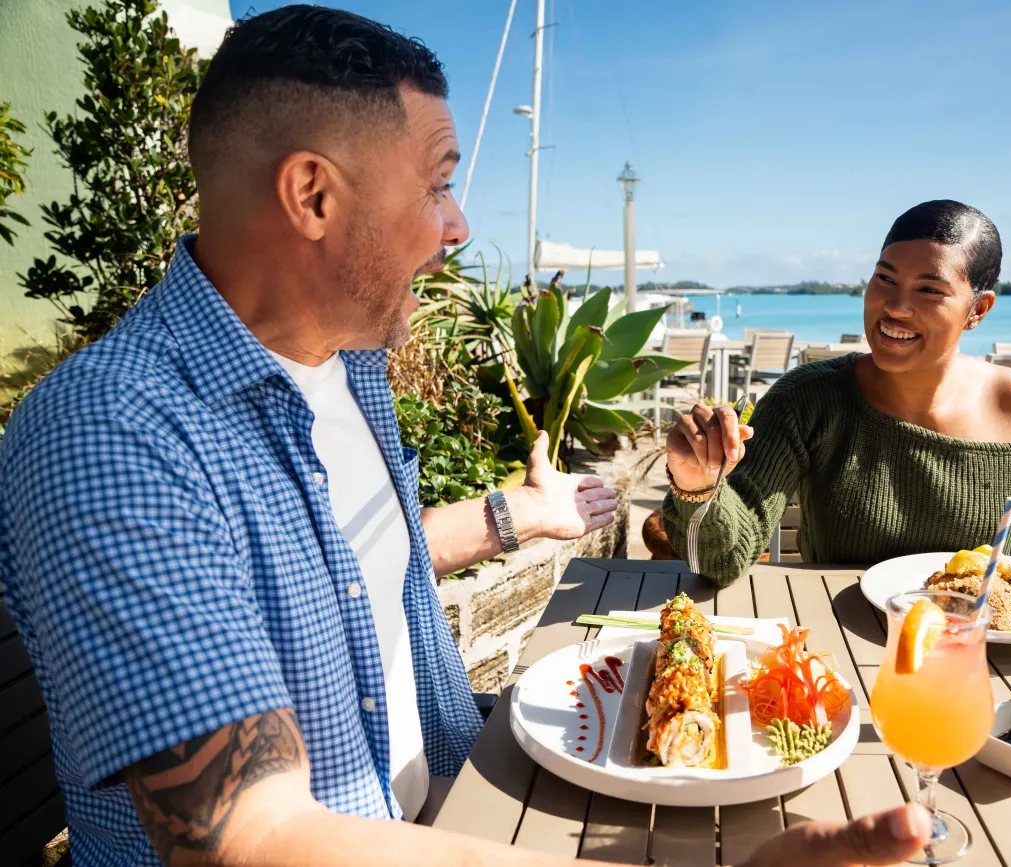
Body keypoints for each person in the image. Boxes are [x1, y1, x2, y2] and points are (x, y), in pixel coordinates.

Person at [0, 7, 928, 866]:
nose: (459, 224)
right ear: (312, 194)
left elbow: (328, 562)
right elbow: (252, 837)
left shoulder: (346, 363)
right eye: (439, 183)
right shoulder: (112, 434)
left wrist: (512, 513)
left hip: (454, 788)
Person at [664, 200, 1011, 586]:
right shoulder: (809, 399)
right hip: (830, 621)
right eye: (885, 279)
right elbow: (721, 563)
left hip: (980, 626)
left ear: (978, 309)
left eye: (929, 289)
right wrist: (696, 484)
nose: (896, 307)